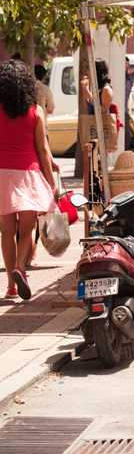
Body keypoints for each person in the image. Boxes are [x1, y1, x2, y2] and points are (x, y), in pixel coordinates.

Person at [0, 60, 56, 300]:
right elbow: (42, 150)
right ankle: (21, 269)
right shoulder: (35, 112)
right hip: (28, 175)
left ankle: (11, 285)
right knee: (27, 230)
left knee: (6, 232)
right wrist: (51, 181)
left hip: (2, 175)